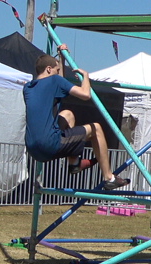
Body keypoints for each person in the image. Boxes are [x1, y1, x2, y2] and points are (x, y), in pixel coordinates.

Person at [23, 46, 129, 191]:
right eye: (57, 70)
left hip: (32, 149)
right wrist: (86, 76)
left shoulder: (28, 87)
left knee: (68, 114)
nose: (58, 73)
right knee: (96, 128)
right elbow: (85, 94)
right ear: (49, 69)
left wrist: (61, 58)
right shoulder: (54, 81)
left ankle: (74, 163)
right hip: (49, 144)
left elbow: (57, 81)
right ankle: (109, 178)